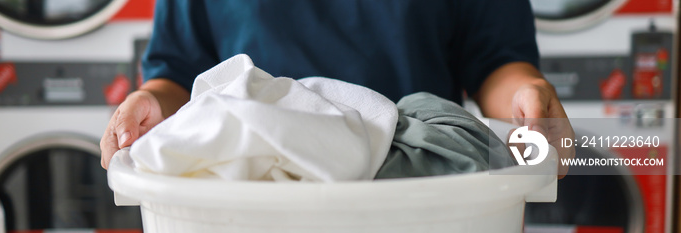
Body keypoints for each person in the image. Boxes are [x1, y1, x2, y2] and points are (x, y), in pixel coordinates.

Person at [100, 0, 574, 177]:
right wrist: (149, 103)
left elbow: (494, 61)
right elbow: (179, 75)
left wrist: (525, 95)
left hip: (414, 190)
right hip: (249, 200)